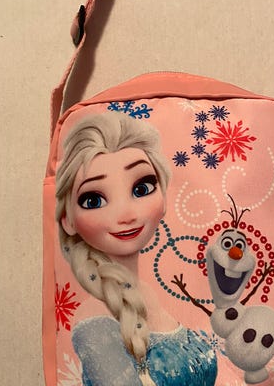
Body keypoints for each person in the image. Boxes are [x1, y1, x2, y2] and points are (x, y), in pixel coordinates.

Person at [55, 113, 217, 386]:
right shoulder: (94, 322)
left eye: (142, 188)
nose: (126, 215)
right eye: (93, 200)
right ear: (67, 220)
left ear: (164, 196)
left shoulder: (146, 293)